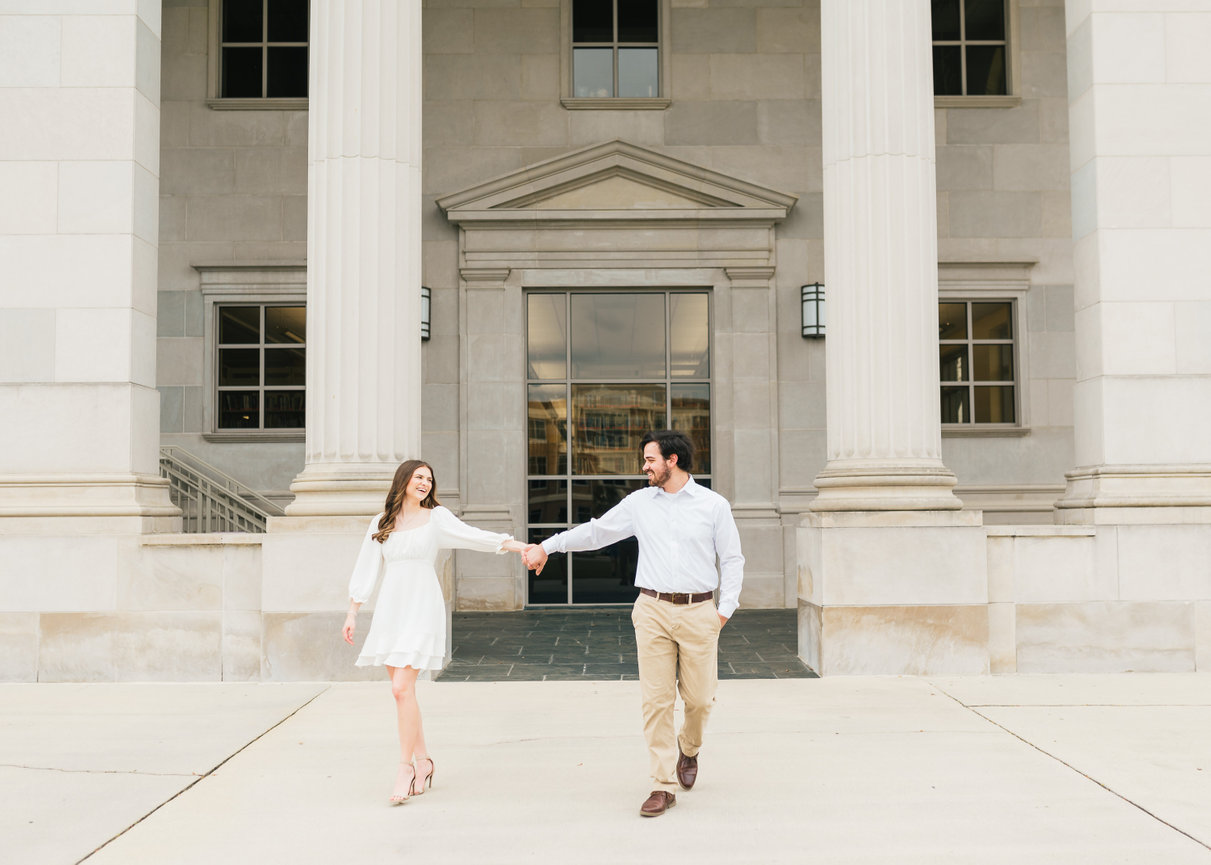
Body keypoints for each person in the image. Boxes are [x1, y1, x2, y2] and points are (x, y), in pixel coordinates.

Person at [523, 430, 744, 817]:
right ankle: (662, 785)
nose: (644, 467)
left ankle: (689, 749)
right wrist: (549, 545)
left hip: (699, 611)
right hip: (653, 609)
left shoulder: (713, 505)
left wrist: (723, 611)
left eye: (650, 459)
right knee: (656, 702)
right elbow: (596, 532)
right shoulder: (640, 503)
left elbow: (732, 560)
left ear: (672, 460)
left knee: (699, 700)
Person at [342, 459, 528, 805]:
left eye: (429, 478)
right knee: (403, 694)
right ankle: (424, 761)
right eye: (419, 477)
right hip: (391, 610)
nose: (425, 483)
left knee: (401, 687)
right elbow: (366, 568)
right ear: (404, 481)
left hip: (421, 606)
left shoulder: (437, 518)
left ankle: (404, 767)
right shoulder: (381, 523)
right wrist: (353, 612)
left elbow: (472, 536)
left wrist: (514, 545)